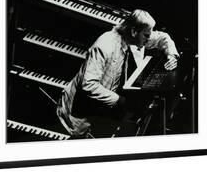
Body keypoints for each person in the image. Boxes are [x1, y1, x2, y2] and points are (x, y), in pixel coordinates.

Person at [56, 9, 179, 137]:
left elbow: (162, 38)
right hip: (79, 110)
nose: (149, 38)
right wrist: (120, 100)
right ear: (133, 32)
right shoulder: (105, 45)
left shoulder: (132, 34)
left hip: (102, 104)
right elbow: (88, 85)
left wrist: (171, 55)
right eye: (146, 35)